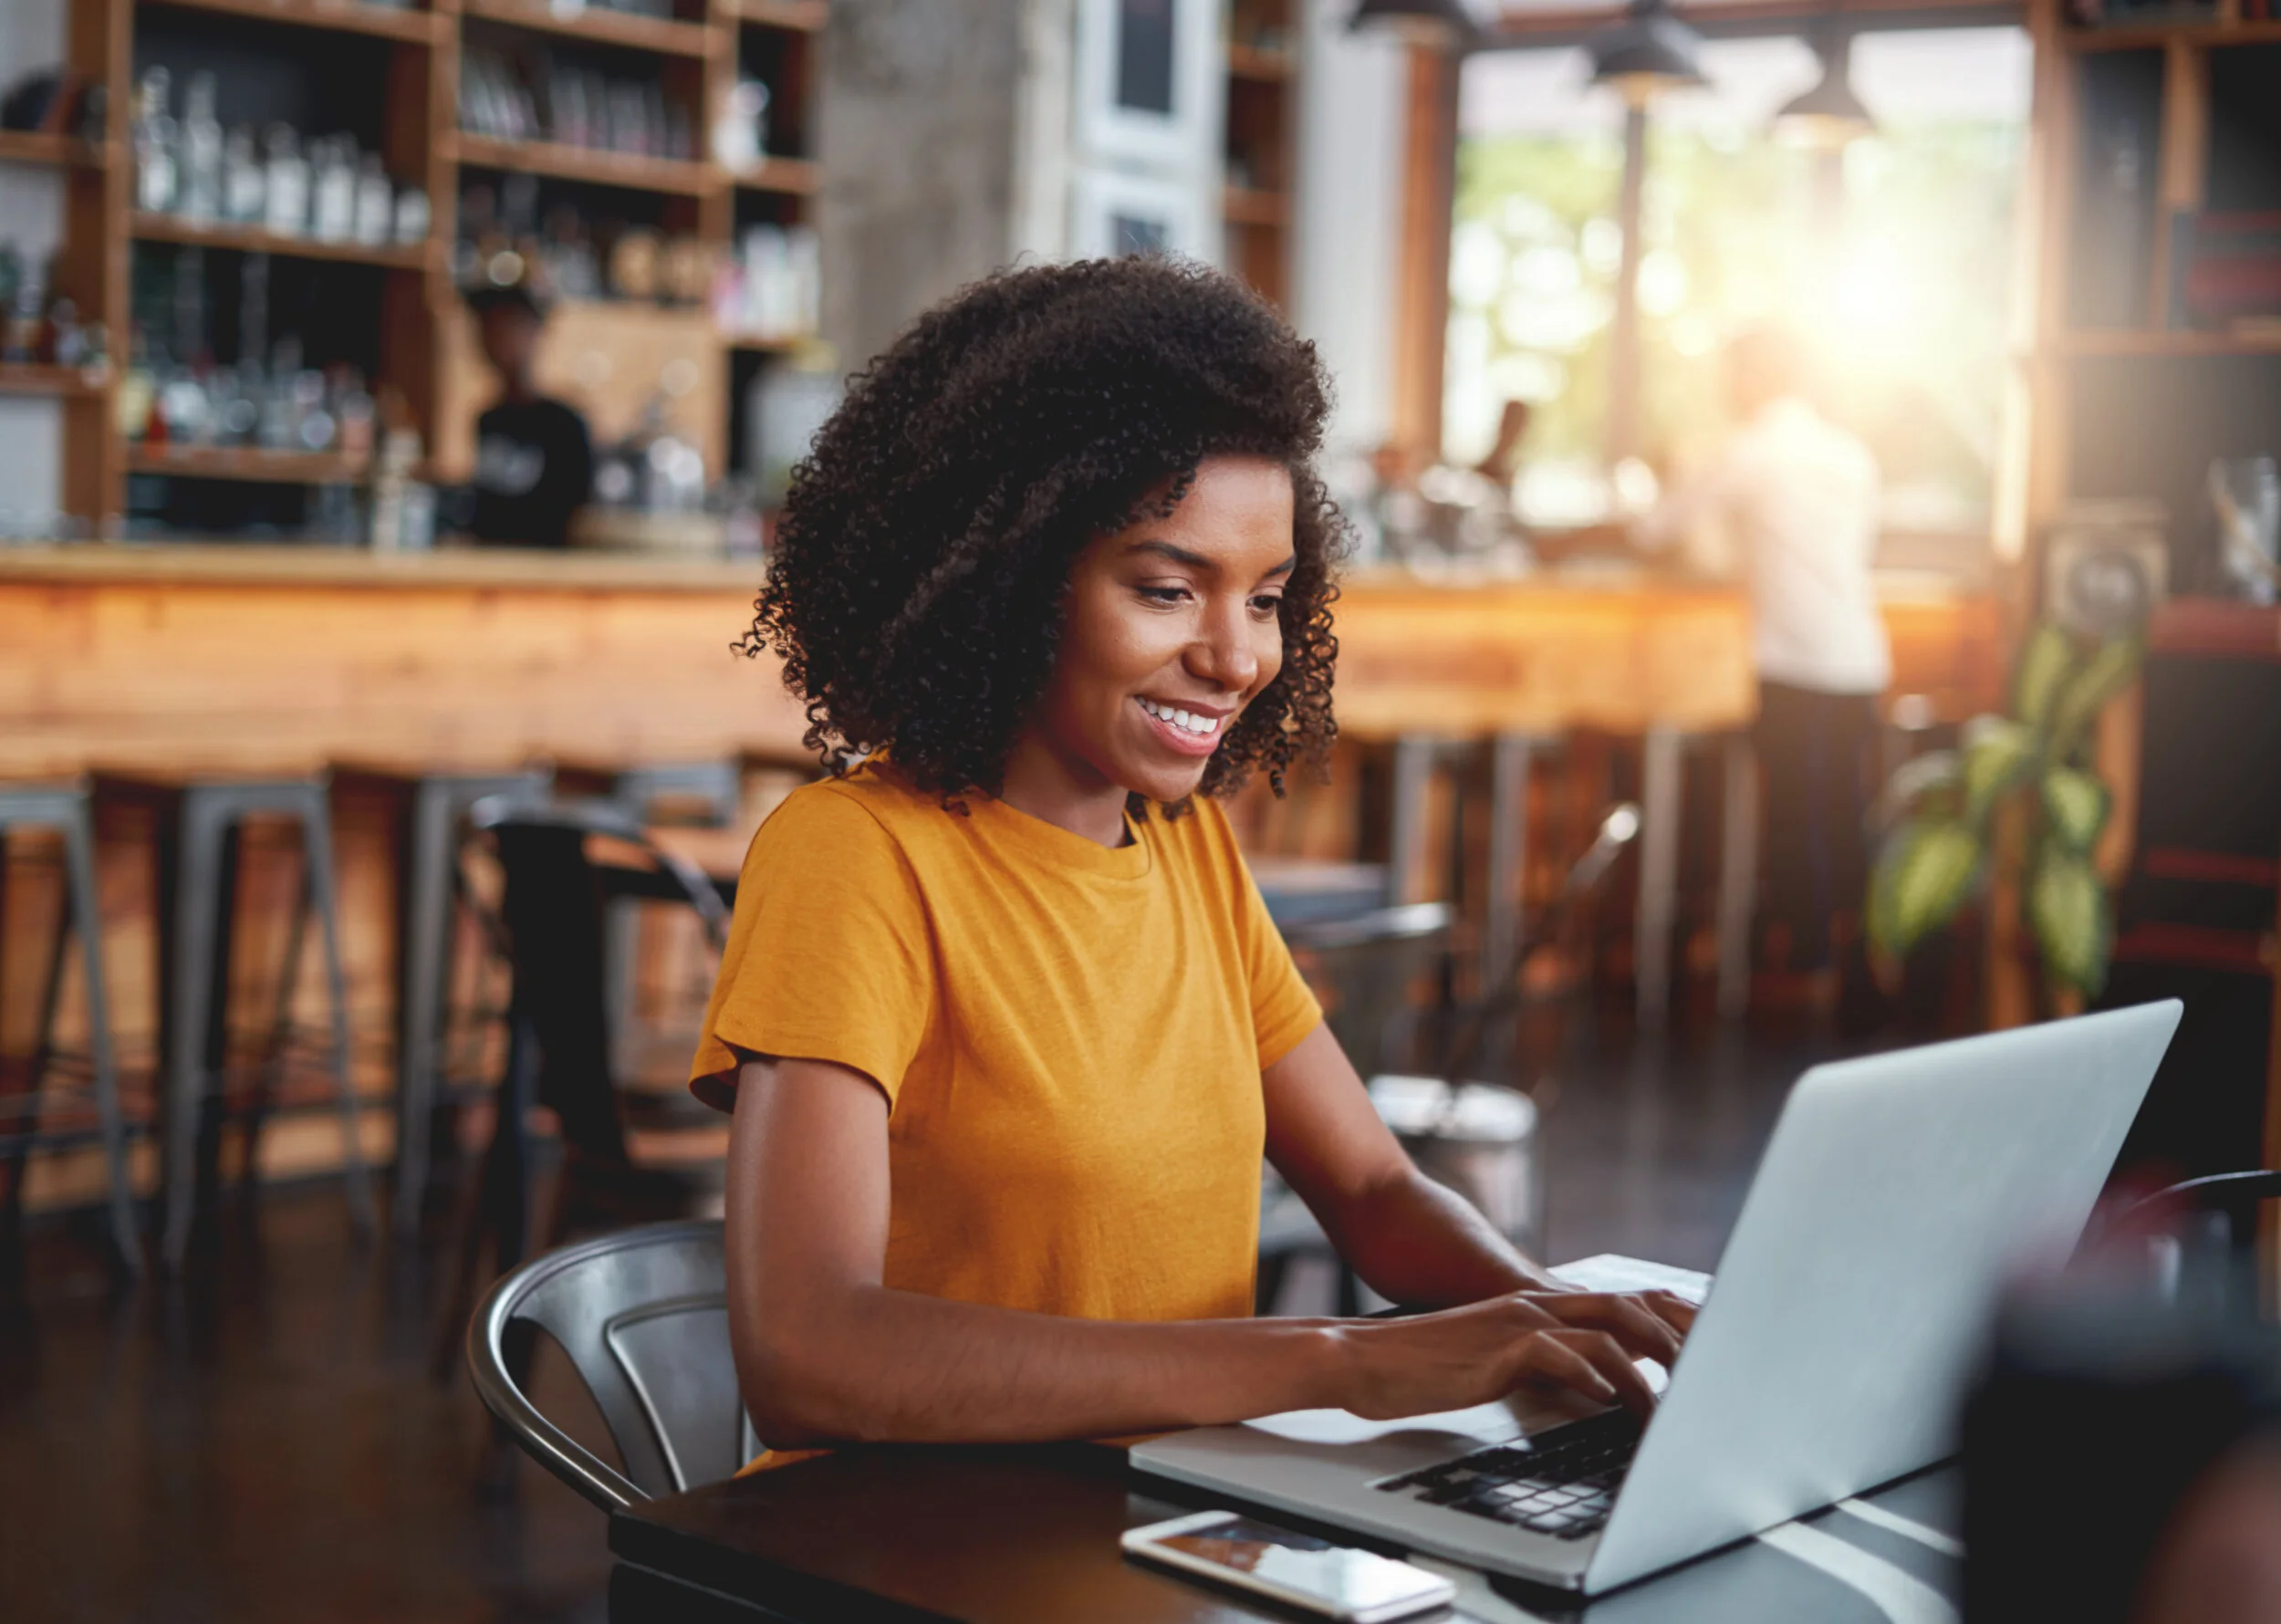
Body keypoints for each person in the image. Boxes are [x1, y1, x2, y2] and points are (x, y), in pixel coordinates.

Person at [690, 257, 1694, 1453]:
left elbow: (1373, 1193)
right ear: (1009, 583)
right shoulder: (856, 861)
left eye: (1267, 598)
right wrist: (1343, 1361)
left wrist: (1549, 1310)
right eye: (1169, 590)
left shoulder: (1183, 848)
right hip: (925, 1552)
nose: (1237, 659)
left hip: (1172, 1531)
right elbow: (811, 1355)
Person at [1635, 325, 1890, 1001]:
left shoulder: (1748, 451)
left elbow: (1655, 531)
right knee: (1843, 813)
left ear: (1753, 376)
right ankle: (1856, 969)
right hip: (1859, 657)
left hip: (1792, 661)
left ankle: (1804, 969)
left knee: (1794, 820)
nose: (1725, 387)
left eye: (1731, 372)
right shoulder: (1851, 454)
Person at [463, 276, 592, 548]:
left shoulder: (563, 424)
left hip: (544, 575)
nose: (494, 338)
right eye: (486, 327)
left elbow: (581, 517)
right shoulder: (487, 419)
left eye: (506, 325)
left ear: (534, 331)